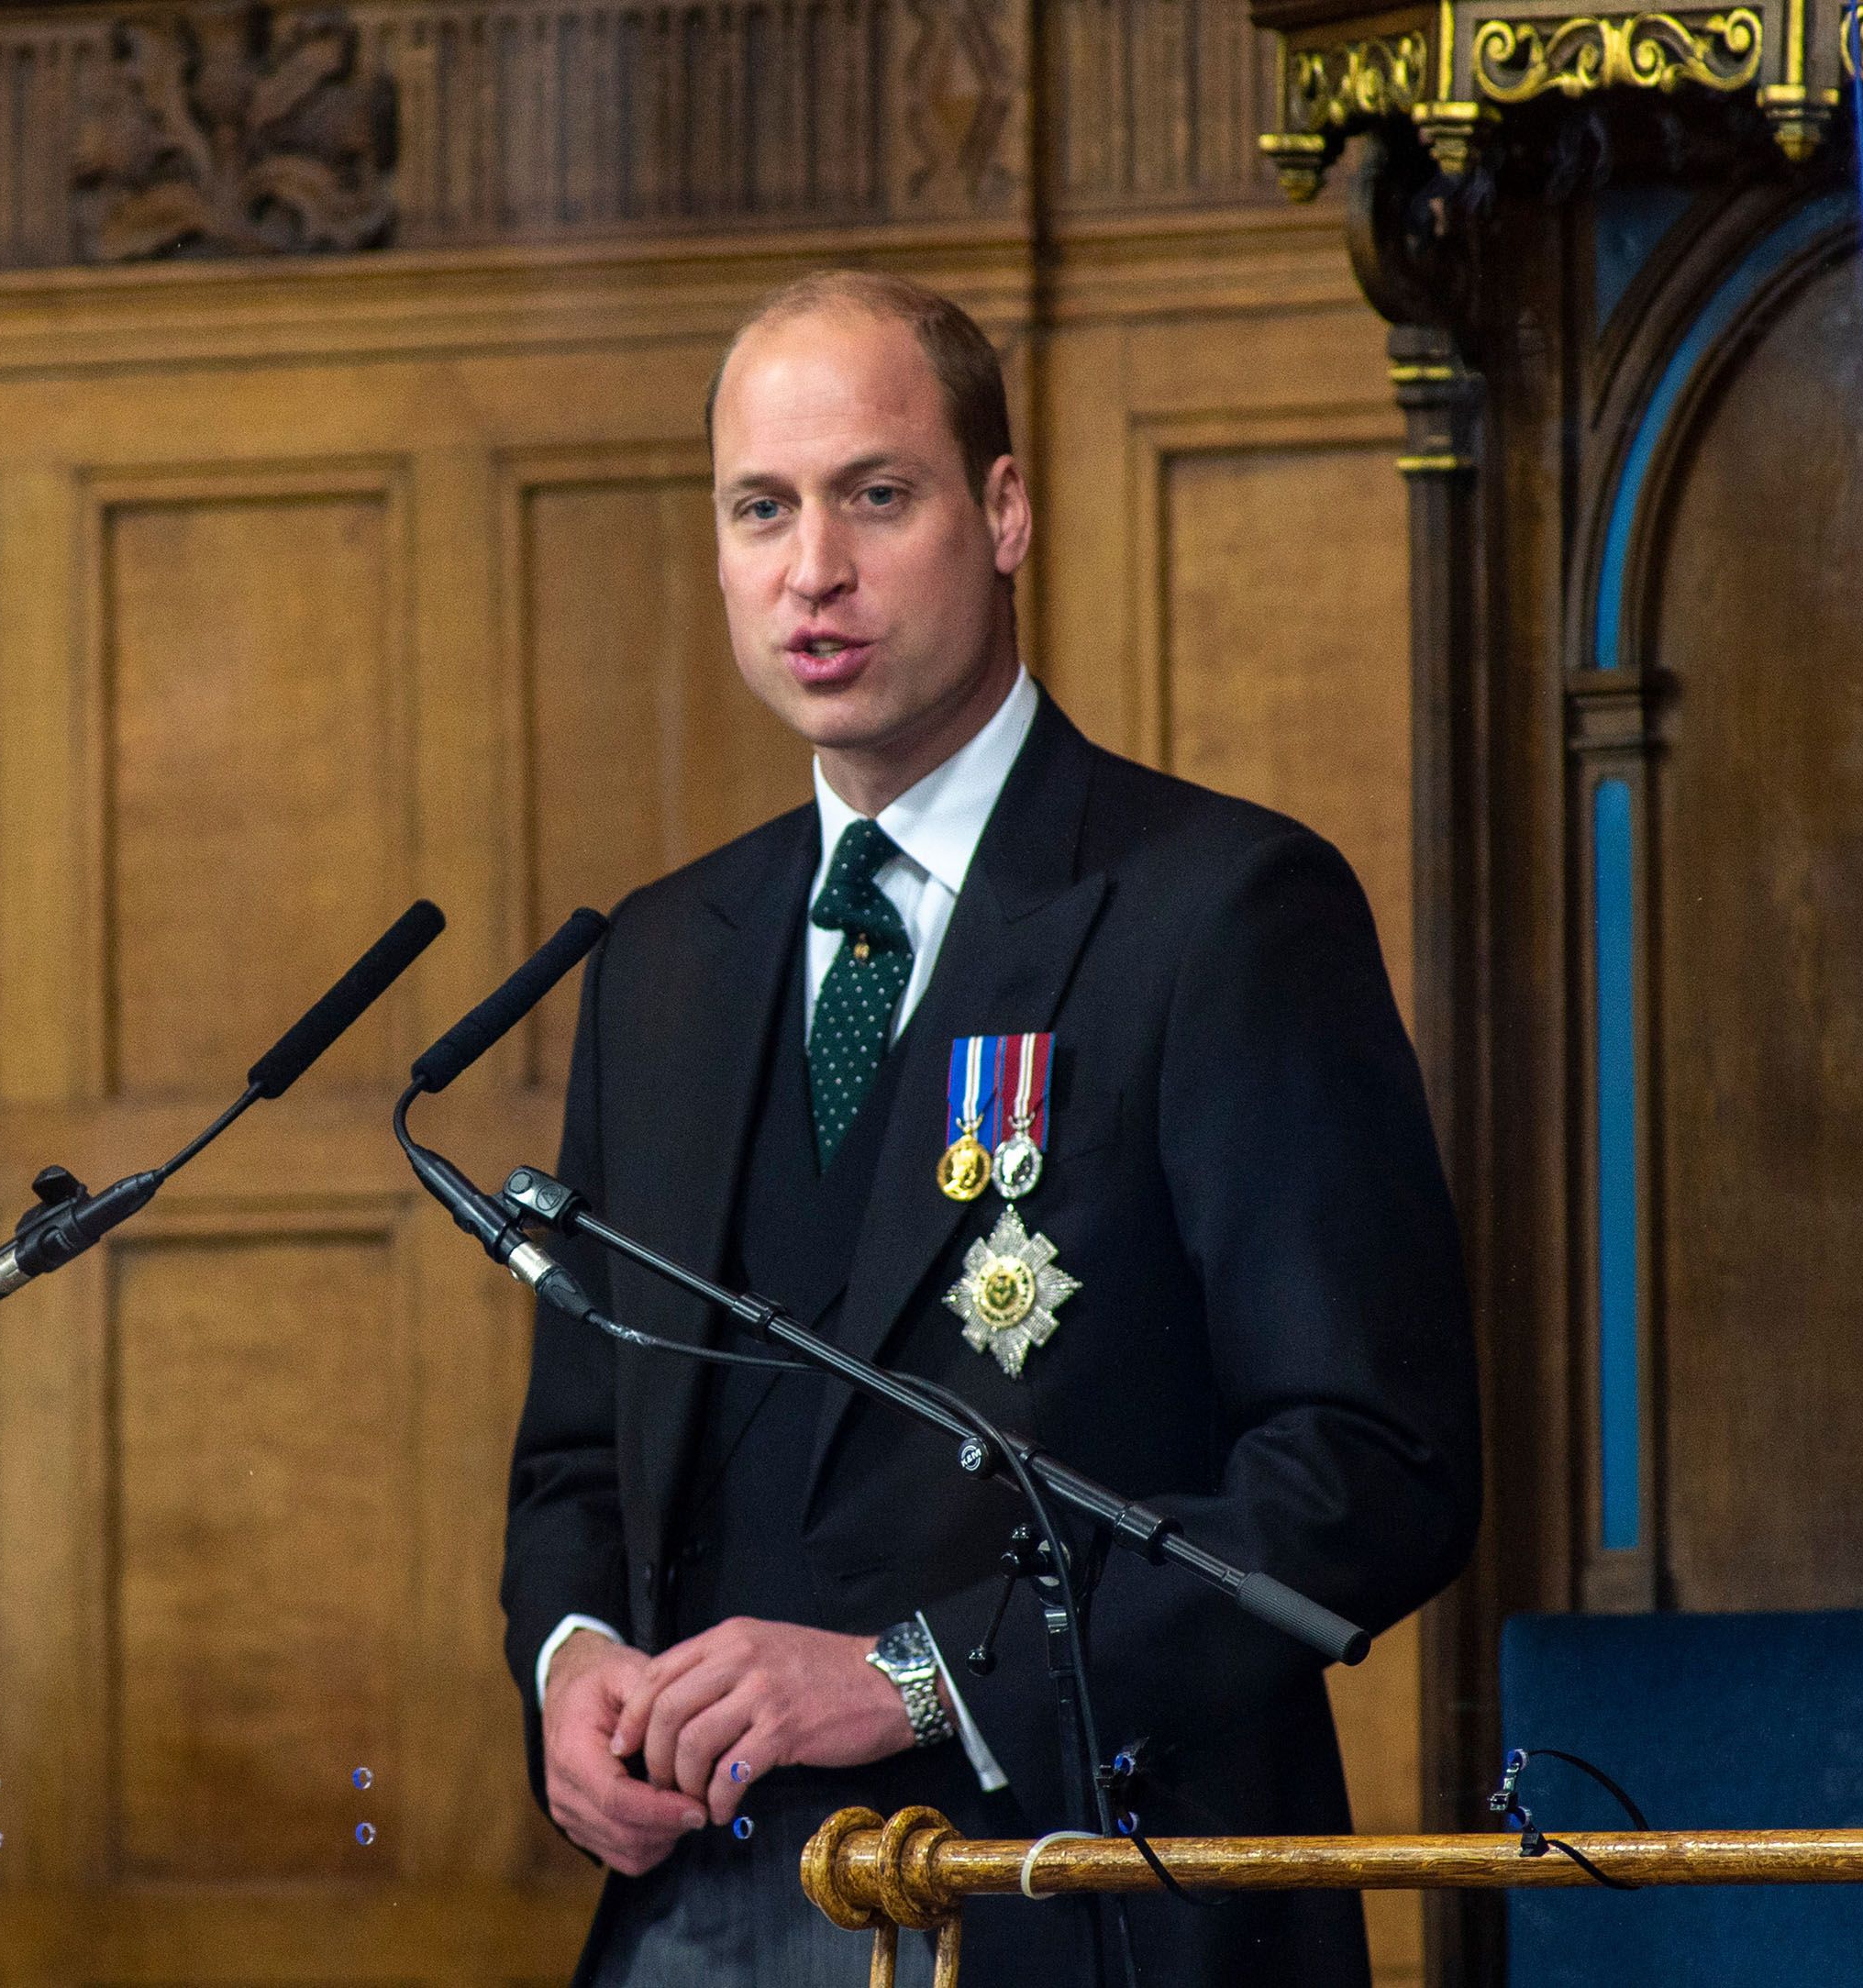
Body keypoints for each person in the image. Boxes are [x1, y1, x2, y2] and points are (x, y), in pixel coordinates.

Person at [500, 269, 1480, 1987]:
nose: (815, 567)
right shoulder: (661, 956)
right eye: (762, 509)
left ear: (1004, 511)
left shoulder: (1221, 913)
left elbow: (1371, 1476)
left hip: (1088, 1904)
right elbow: (585, 1452)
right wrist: (572, 1662)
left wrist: (918, 1676)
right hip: (707, 1921)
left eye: (877, 495)